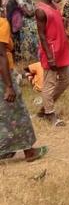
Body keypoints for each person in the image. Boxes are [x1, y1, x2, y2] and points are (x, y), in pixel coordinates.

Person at [0, 12, 48, 162]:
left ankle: (5, 149)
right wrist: (9, 86)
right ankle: (29, 152)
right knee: (17, 113)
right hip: (3, 76)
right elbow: (1, 55)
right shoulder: (1, 23)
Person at [34, 0, 69, 127]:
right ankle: (50, 114)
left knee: (66, 80)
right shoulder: (40, 10)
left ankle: (44, 108)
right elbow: (42, 35)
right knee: (49, 83)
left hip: (61, 49)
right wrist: (50, 57)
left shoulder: (55, 5)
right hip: (50, 51)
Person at [16, 0, 39, 65]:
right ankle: (28, 60)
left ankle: (35, 59)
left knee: (34, 41)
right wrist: (36, 9)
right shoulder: (20, 1)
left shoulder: (29, 0)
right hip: (26, 24)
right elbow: (28, 13)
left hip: (33, 23)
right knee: (27, 41)